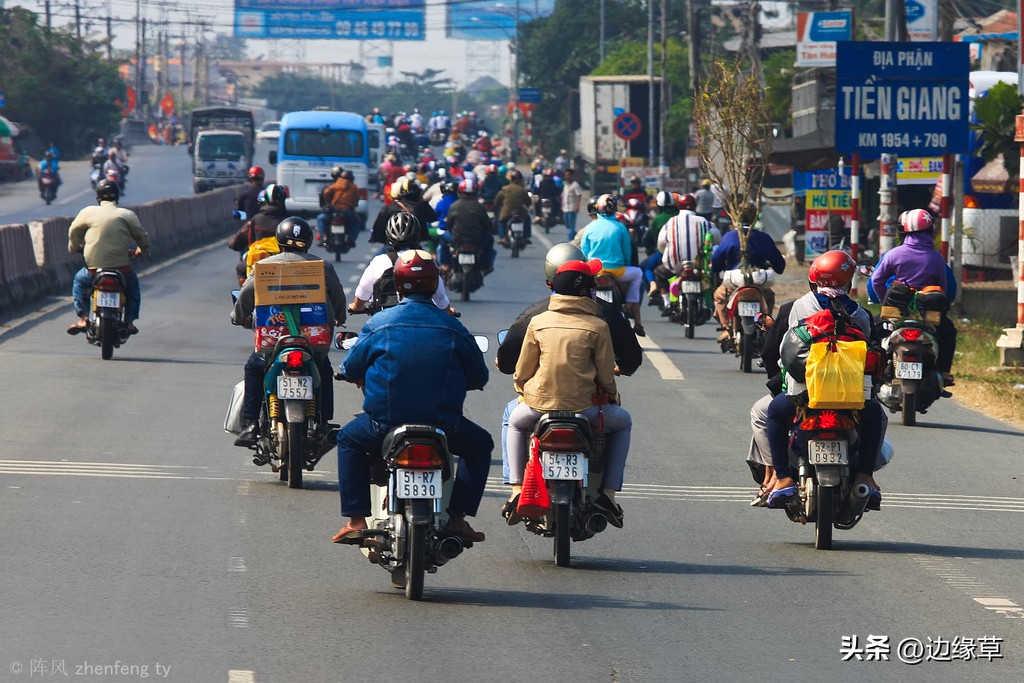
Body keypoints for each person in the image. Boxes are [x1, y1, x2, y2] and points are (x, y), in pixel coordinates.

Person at [332, 249, 492, 544]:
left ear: (397, 283)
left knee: (348, 440)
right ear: (434, 284)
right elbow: (479, 377)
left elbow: (351, 366)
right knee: (481, 445)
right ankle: (458, 518)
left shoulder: (380, 323)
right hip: (445, 423)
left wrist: (352, 373)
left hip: (384, 422)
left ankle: (356, 520)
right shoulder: (453, 327)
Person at [495, 243, 642, 489]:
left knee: (512, 419)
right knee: (623, 422)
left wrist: (523, 392)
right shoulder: (601, 322)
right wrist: (612, 395)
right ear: (588, 287)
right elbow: (608, 372)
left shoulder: (536, 318)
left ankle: (516, 488)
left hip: (538, 405)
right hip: (586, 406)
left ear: (551, 283)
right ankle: (608, 492)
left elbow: (520, 369)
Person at [764, 250, 886, 511]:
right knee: (875, 414)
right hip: (850, 395)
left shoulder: (799, 306)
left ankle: (783, 477)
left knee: (774, 414)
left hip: (806, 394)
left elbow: (787, 349)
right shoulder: (861, 314)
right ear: (848, 281)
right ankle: (866, 476)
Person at [231, 218, 347, 449]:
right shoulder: (322, 265)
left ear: (279, 240)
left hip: (274, 340)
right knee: (323, 368)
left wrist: (237, 317)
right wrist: (340, 318)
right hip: (313, 342)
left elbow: (246, 295)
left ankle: (251, 423)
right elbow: (338, 296)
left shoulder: (265, 266)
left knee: (255, 367)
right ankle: (323, 422)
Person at [870, 208, 958, 384]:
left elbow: (876, 281)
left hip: (897, 310)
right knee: (949, 332)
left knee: (872, 330)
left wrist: (884, 302)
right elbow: (944, 288)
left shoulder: (894, 254)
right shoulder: (936, 258)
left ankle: (872, 369)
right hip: (927, 313)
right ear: (930, 231)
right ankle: (944, 372)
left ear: (904, 232)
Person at [66, 179, 151, 335]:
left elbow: (74, 231)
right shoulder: (127, 214)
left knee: (79, 281)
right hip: (122, 270)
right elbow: (142, 236)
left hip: (93, 271)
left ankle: (84, 318)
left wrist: (73, 247)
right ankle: (130, 322)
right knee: (133, 287)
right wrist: (142, 250)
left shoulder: (88, 212)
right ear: (117, 197)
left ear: (98, 198)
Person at [349, 212, 455, 316]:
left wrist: (356, 306)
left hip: (385, 323)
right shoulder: (426, 260)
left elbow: (363, 291)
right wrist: (448, 311)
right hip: (422, 320)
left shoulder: (380, 261)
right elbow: (440, 297)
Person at [710, 202, 786, 342]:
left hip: (734, 280)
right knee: (769, 297)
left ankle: (726, 329)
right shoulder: (764, 238)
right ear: (755, 218)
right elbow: (779, 265)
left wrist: (717, 268)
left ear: (737, 217)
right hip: (759, 281)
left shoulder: (729, 236)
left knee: (720, 297)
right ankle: (765, 328)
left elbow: (716, 260)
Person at [580, 194, 647, 336]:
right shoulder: (621, 227)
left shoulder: (590, 227)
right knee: (638, 274)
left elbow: (584, 250)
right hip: (617, 271)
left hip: (594, 270)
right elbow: (626, 252)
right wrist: (626, 265)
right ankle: (629, 304)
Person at [227, 184, 289, 283]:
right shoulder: (289, 222)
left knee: (240, 268)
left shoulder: (256, 220)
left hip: (259, 262)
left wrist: (231, 242)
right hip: (286, 264)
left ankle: (244, 297)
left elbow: (236, 243)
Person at [439, 177, 496, 274]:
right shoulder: (479, 207)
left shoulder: (454, 206)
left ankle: (445, 265)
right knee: (490, 240)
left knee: (444, 238)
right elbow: (486, 225)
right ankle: (486, 266)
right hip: (476, 239)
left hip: (457, 238)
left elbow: (449, 225)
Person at [370, 177, 436, 246]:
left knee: (377, 257)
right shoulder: (420, 207)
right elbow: (432, 218)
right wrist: (423, 202)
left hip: (392, 246)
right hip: (413, 246)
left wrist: (375, 238)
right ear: (418, 193)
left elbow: (378, 228)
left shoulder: (388, 209)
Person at [317, 166, 360, 246]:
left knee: (321, 218)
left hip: (334, 210)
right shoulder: (353, 187)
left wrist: (328, 203)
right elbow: (354, 201)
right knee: (357, 222)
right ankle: (351, 239)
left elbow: (326, 193)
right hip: (346, 211)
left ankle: (324, 237)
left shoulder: (336, 184)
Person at [494, 169, 533, 245]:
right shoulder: (522, 190)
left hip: (507, 211)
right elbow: (528, 202)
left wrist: (497, 204)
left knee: (501, 221)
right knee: (528, 218)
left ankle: (503, 237)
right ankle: (526, 236)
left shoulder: (505, 188)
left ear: (511, 178)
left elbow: (497, 199)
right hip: (520, 211)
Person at [560, 169, 583, 242]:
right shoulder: (565, 184)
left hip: (572, 208)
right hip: (565, 208)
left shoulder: (575, 185)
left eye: (568, 175)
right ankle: (577, 236)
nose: (567, 177)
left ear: (572, 176)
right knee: (567, 225)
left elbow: (579, 195)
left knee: (571, 226)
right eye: (566, 175)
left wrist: (577, 206)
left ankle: (570, 241)